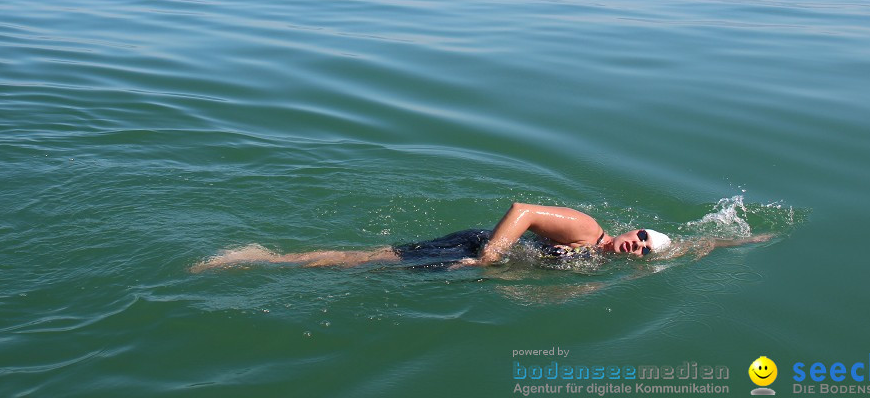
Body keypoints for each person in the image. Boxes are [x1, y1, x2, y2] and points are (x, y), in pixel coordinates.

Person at [190, 202, 769, 272]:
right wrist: (489, 255)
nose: (637, 244)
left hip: (483, 261)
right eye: (641, 236)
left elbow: (696, 245)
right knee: (372, 260)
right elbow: (521, 208)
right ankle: (263, 259)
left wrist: (735, 241)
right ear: (630, 227)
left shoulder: (598, 262)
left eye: (645, 249)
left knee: (379, 265)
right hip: (477, 244)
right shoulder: (587, 230)